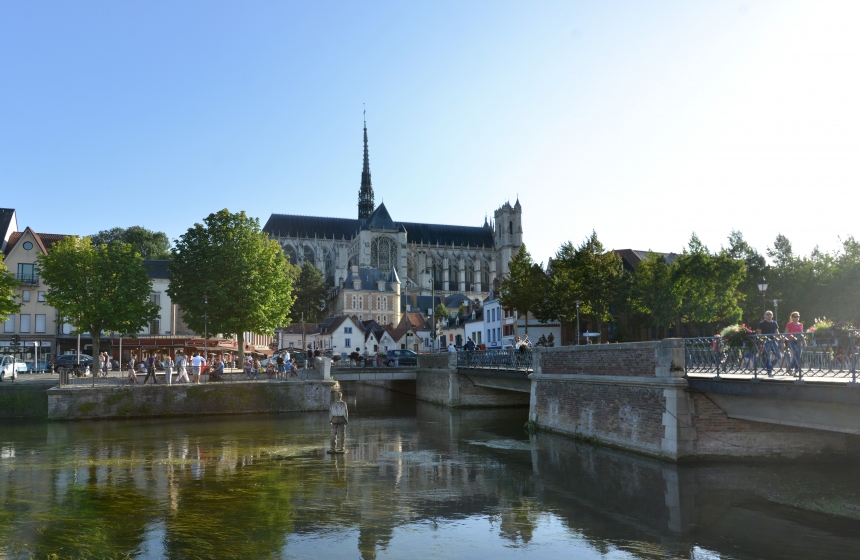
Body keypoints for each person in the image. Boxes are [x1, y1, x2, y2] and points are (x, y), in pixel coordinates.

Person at [756, 310, 781, 377]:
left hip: (773, 340)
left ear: (772, 315)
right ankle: (769, 371)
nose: (769, 315)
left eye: (770, 314)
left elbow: (777, 332)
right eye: (767, 314)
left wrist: (782, 340)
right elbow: (759, 333)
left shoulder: (774, 323)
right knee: (768, 356)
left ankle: (770, 367)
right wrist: (760, 342)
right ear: (765, 315)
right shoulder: (762, 323)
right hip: (766, 341)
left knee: (779, 356)